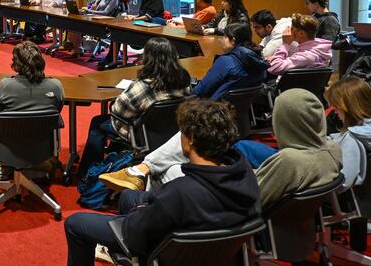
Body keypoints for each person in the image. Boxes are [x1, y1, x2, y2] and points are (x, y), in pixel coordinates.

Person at [64, 100, 261, 266]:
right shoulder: (245, 175)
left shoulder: (181, 191)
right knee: (127, 195)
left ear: (190, 139)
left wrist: (141, 211)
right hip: (215, 245)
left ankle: (131, 257)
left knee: (75, 223)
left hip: (169, 249)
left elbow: (134, 234)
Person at [99, 89, 343, 212]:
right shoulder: (331, 150)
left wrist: (224, 171)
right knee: (181, 161)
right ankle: (143, 173)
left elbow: (252, 198)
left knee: (169, 171)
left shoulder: (290, 161)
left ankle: (144, 185)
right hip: (242, 191)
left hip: (226, 206)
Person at [78, 38, 191, 175]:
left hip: (141, 134)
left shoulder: (142, 86)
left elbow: (117, 111)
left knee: (98, 122)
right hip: (171, 132)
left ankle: (87, 171)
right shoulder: (184, 81)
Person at [325, 77, 371, 192]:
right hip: (367, 195)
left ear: (348, 108)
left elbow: (343, 183)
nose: (335, 111)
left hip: (341, 201)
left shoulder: (351, 140)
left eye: (336, 106)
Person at [192, 23, 269, 100]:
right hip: (242, 110)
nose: (221, 39)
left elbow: (200, 91)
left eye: (225, 37)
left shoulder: (225, 62)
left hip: (213, 108)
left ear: (233, 40)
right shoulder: (259, 61)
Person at [0, 41, 64, 115]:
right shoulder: (56, 86)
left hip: (12, 126)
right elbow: (58, 109)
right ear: (41, 61)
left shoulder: (5, 85)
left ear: (16, 63)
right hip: (44, 126)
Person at [267, 13, 332, 76]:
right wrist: (276, 58)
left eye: (292, 29)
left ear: (301, 33)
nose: (289, 31)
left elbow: (274, 67)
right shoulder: (320, 49)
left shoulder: (305, 57)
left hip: (290, 86)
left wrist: (285, 45)